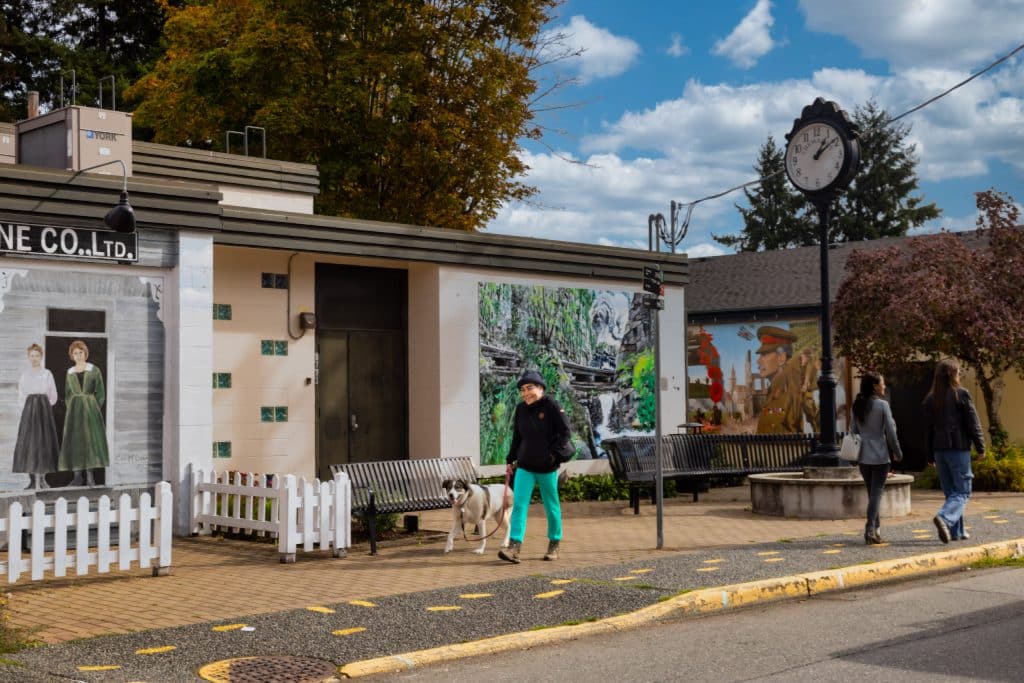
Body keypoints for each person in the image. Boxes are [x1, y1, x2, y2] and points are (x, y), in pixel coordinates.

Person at [498, 369, 572, 564]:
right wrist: (510, 459)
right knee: (519, 506)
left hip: (547, 468)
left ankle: (554, 542)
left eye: (529, 388)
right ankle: (514, 546)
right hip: (525, 466)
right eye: (522, 390)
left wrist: (553, 454)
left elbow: (565, 432)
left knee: (551, 506)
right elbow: (517, 437)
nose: (525, 393)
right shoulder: (521, 409)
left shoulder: (551, 405)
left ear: (540, 388)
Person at [923, 359, 986, 544]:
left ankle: (957, 532)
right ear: (953, 374)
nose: (960, 375)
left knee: (951, 493)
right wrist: (981, 447)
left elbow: (927, 430)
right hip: (958, 449)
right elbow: (973, 423)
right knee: (962, 492)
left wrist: (929, 454)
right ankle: (944, 518)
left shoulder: (930, 399)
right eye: (958, 372)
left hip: (939, 450)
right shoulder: (961, 394)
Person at [850, 371, 902, 544]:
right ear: (875, 386)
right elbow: (891, 433)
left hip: (863, 456)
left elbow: (853, 431)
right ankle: (870, 528)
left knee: (872, 494)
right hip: (880, 456)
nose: (884, 385)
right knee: (876, 495)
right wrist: (897, 452)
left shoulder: (856, 405)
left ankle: (876, 531)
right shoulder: (882, 405)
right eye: (882, 383)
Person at [58, 340, 110, 487]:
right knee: (75, 442)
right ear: (72, 356)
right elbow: (68, 394)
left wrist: (93, 407)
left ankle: (90, 477)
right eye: (75, 353)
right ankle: (77, 477)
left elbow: (100, 393)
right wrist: (72, 408)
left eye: (80, 352)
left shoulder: (94, 370)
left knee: (89, 443)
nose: (78, 355)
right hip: (75, 413)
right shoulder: (70, 372)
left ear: (85, 353)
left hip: (90, 411)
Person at [13, 344, 59, 489]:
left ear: (41, 356)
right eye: (32, 356)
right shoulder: (25, 375)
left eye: (37, 355)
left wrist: (44, 407)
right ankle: (33, 480)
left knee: (44, 443)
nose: (34, 358)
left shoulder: (47, 374)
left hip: (43, 410)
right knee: (30, 443)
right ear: (28, 357)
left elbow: (53, 395)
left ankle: (43, 479)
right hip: (29, 411)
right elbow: (21, 394)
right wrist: (28, 410)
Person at [755, 326, 811, 433]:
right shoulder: (779, 386)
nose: (758, 361)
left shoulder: (786, 389)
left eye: (764, 354)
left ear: (781, 358)